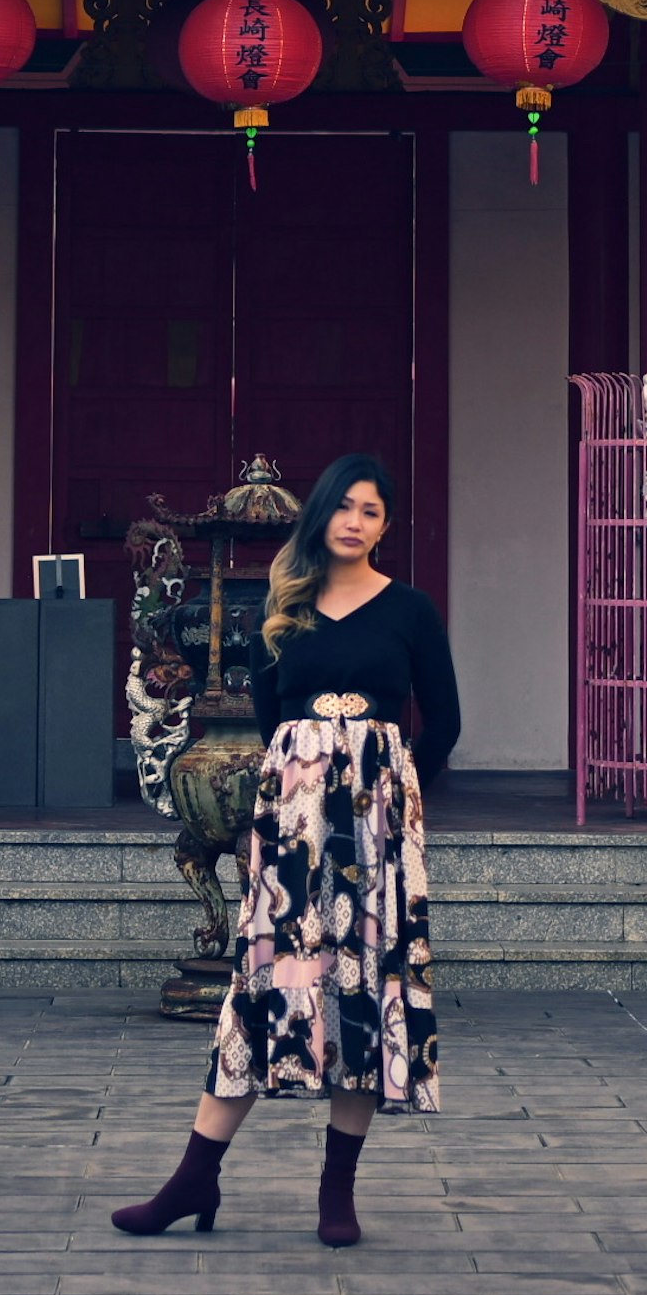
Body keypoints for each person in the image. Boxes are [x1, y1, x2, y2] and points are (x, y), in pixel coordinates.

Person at [110, 451, 457, 1248]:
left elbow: (445, 719)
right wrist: (306, 779)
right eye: (343, 507)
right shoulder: (285, 608)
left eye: (371, 511)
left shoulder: (410, 610)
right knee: (265, 983)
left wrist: (392, 792)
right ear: (320, 516)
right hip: (294, 833)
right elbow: (272, 717)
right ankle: (194, 1177)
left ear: (385, 526)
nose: (354, 521)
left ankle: (338, 1192)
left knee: (363, 989)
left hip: (375, 838)